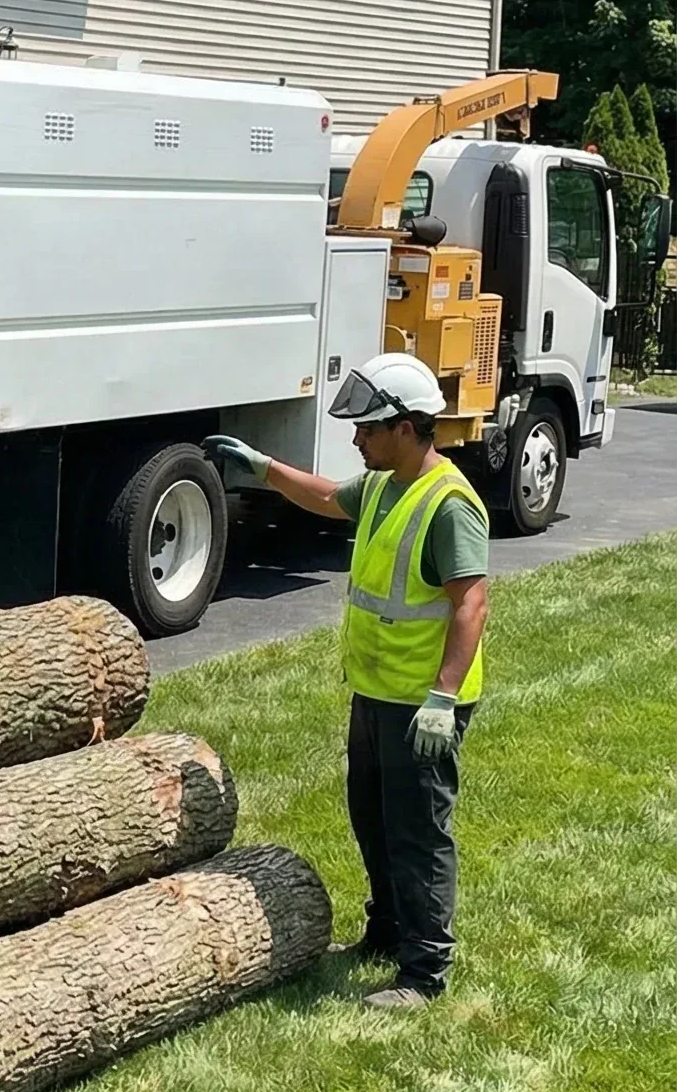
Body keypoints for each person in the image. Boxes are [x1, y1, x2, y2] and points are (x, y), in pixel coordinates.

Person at [204, 355, 490, 1011]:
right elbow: (329, 498)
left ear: (410, 427)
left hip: (422, 703)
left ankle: (424, 972)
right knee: (373, 818)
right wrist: (263, 469)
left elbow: (472, 603)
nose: (357, 440)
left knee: (418, 831)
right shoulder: (385, 485)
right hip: (376, 691)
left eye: (367, 430)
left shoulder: (450, 506)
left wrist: (444, 696)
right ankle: (387, 934)